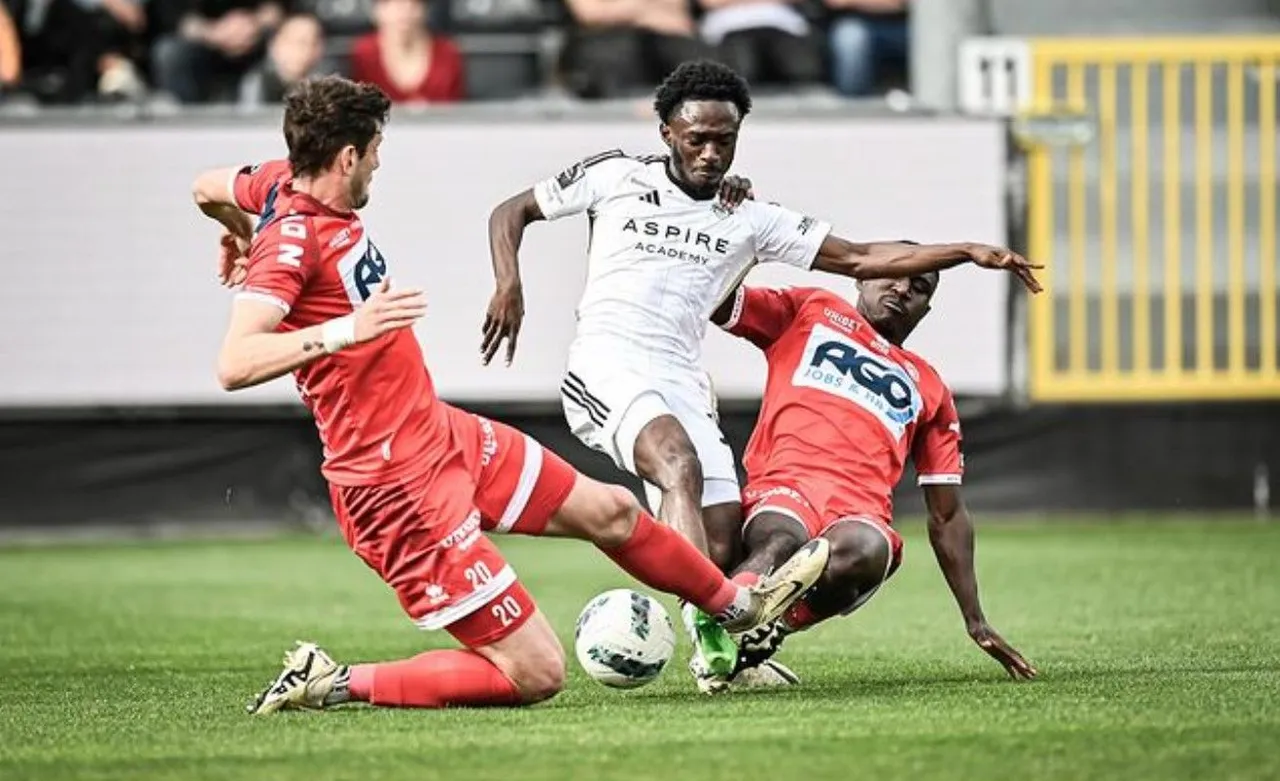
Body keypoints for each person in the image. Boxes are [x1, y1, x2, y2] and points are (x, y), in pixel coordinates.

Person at [190, 74, 830, 713]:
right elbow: (234, 363)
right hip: (393, 489)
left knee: (610, 512)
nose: (380, 164)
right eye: (377, 150)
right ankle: (331, 680)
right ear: (348, 155)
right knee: (535, 674)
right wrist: (345, 329)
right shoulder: (294, 243)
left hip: (441, 435)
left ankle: (734, 608)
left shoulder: (277, 180)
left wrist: (234, 229)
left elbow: (206, 187)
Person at [482, 59, 1042, 682]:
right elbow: (511, 211)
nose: (711, 152)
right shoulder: (616, 175)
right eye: (697, 138)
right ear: (666, 131)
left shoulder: (750, 218)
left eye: (725, 140)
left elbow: (857, 256)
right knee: (679, 464)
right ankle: (713, 637)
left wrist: (966, 251)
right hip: (608, 358)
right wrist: (510, 283)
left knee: (721, 549)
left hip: (681, 376)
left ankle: (724, 629)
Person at [693, 263, 1040, 693]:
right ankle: (718, 628)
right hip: (786, 486)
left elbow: (947, 515)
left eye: (919, 287)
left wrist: (975, 619)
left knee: (868, 547)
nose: (902, 288)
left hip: (858, 512)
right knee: (781, 540)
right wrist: (745, 238)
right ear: (862, 276)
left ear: (926, 309)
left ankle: (764, 633)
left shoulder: (930, 388)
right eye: (893, 275)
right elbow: (719, 300)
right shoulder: (811, 310)